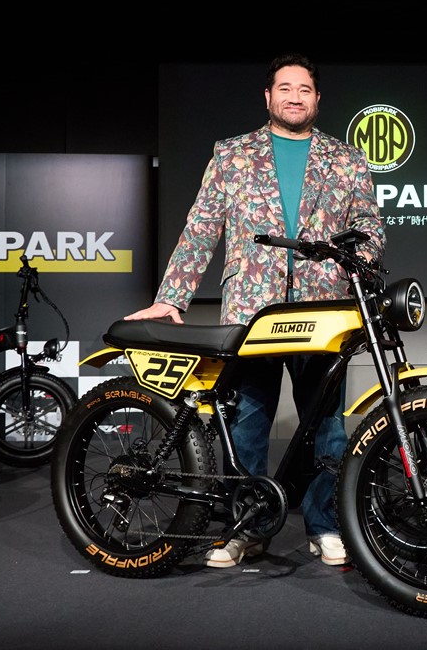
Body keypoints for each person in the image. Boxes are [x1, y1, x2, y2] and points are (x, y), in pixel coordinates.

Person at [126, 52, 384, 569]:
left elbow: (370, 228)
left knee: (327, 425)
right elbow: (201, 228)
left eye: (304, 89)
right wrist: (172, 296)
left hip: (322, 311)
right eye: (285, 88)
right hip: (251, 309)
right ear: (268, 97)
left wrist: (359, 261)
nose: (294, 97)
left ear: (317, 99)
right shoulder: (232, 154)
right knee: (246, 421)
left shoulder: (347, 158)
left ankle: (325, 526)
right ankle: (246, 527)